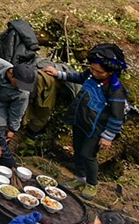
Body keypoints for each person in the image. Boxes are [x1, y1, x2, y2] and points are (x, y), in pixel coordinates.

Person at [47, 42, 129, 192]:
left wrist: (108, 136)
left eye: (99, 72)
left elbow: (117, 115)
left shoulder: (115, 89)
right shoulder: (91, 74)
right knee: (77, 150)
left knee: (88, 154)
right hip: (80, 120)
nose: (95, 73)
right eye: (93, 69)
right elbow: (79, 77)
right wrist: (59, 74)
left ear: (110, 72)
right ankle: (80, 178)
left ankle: (92, 184)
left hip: (96, 128)